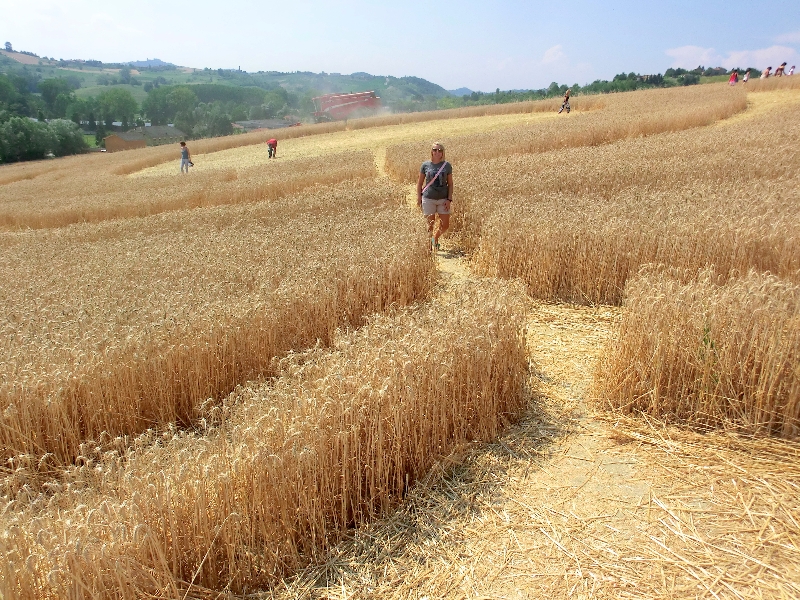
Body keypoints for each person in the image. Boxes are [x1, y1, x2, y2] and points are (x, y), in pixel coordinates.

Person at [416, 142, 452, 252]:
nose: (437, 152)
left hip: (443, 200)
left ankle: (435, 239)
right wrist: (419, 197)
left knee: (445, 225)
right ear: (431, 151)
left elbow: (450, 184)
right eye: (435, 150)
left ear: (443, 153)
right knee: (430, 226)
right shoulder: (425, 165)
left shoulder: (447, 166)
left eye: (440, 150)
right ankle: (429, 249)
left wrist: (449, 199)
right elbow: (419, 183)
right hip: (428, 199)